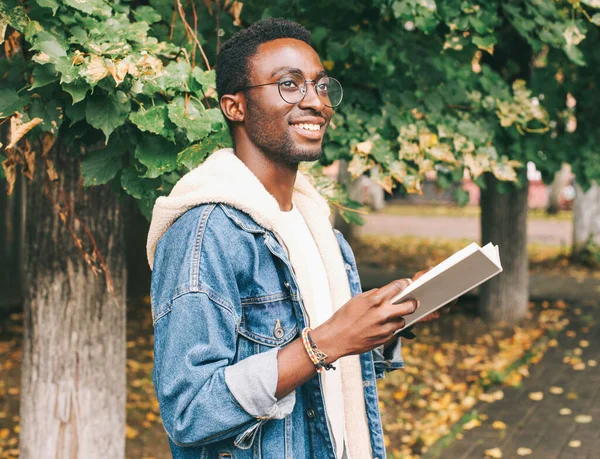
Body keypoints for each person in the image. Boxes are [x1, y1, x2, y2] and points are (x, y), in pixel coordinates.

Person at [147, 18, 449, 459]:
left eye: (321, 86)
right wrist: (323, 343)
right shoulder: (205, 232)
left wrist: (384, 326)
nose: (317, 102)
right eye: (289, 85)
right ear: (235, 107)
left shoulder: (315, 225)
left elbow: (329, 371)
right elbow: (190, 411)